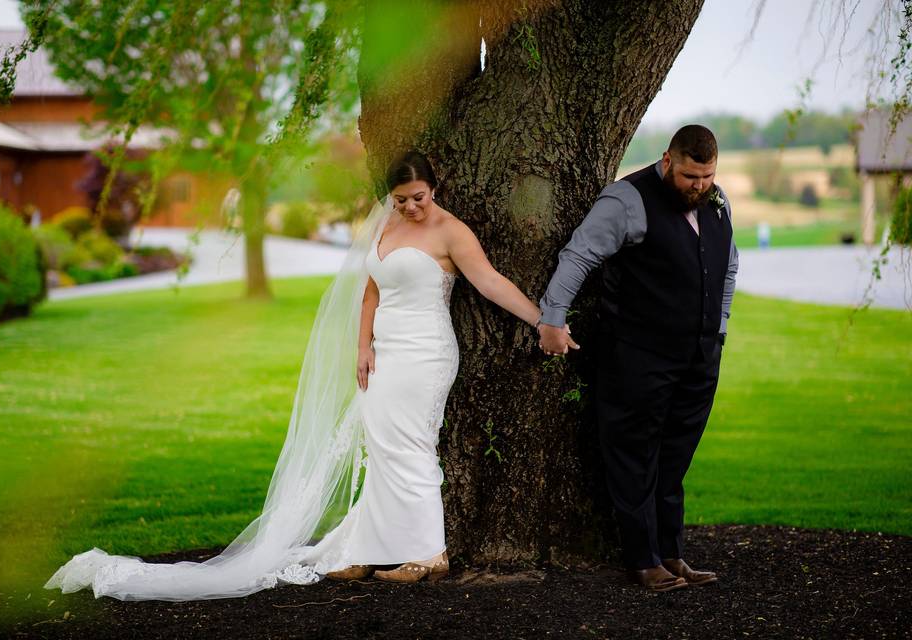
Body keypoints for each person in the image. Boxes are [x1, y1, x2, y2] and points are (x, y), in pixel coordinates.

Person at [44, 151, 542, 600]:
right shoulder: (387, 226)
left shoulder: (450, 231)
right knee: (380, 446)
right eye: (400, 199)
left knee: (410, 444)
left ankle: (431, 552)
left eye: (418, 198)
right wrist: (362, 345)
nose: (410, 208)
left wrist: (543, 321)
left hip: (426, 354)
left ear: (435, 189)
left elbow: (491, 282)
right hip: (384, 355)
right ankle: (369, 547)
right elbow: (371, 291)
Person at [537, 125, 738, 592]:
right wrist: (553, 317)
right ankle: (642, 559)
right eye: (691, 175)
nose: (700, 186)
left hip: (700, 358)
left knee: (674, 460)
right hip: (638, 356)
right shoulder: (626, 200)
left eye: (708, 176)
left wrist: (719, 326)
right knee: (634, 457)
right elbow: (579, 255)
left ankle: (671, 553)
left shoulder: (717, 200)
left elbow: (727, 265)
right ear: (667, 159)